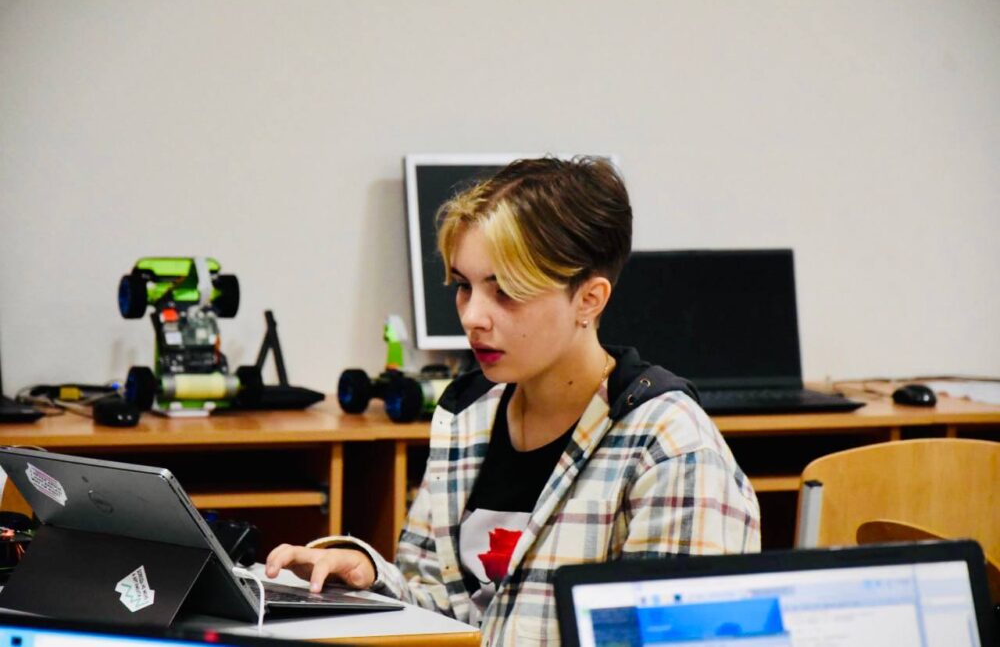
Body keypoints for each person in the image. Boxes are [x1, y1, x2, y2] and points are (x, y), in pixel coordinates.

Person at [265, 157, 761, 645]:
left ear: (589, 299)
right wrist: (369, 576)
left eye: (505, 291)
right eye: (464, 286)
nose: (472, 317)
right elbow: (454, 617)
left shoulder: (671, 448)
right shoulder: (465, 418)